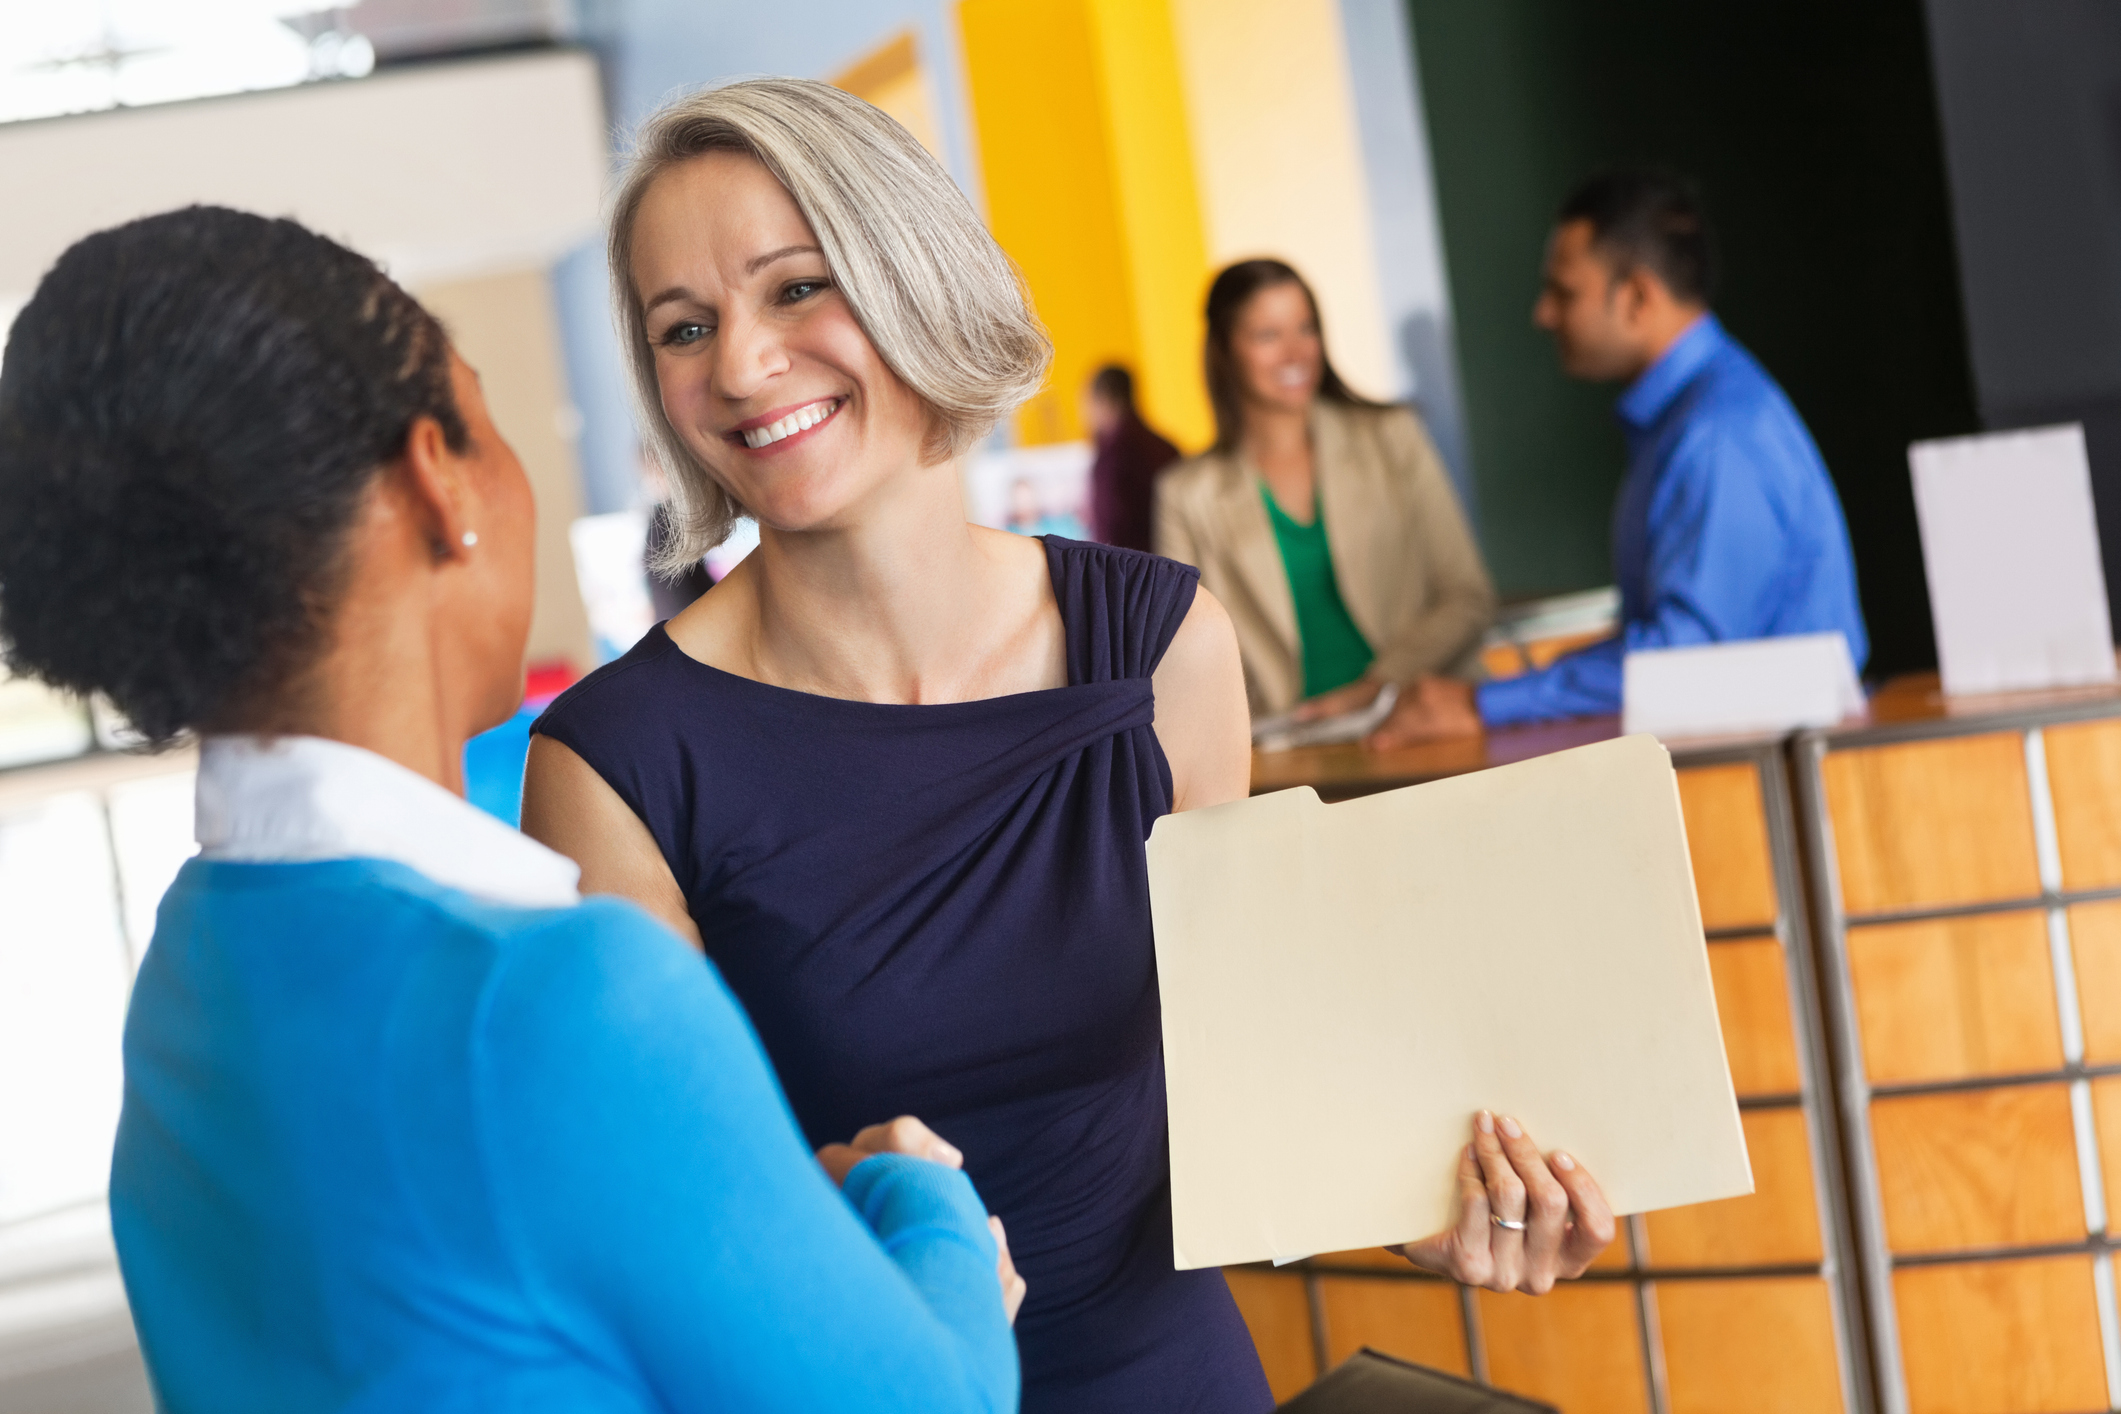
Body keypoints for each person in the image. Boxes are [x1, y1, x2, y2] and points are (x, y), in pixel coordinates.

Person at [521, 78, 1612, 1414]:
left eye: (797, 288)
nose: (741, 364)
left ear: (911, 274)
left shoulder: (1157, 648)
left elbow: (1254, 1080)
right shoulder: (613, 764)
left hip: (1175, 1375)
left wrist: (1426, 1203)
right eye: (684, 326)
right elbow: (665, 1215)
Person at [0, 206, 1022, 1412]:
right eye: (485, 415)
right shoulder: (560, 1001)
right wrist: (916, 1199)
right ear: (440, 482)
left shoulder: (184, 978)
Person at [1378, 168, 1869, 745]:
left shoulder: (1718, 434)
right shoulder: (1692, 416)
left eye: (1564, 292)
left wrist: (1489, 704)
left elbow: (1685, 663)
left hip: (1774, 779)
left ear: (1636, 297)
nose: (1543, 314)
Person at [1155, 259, 1497, 723]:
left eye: (1306, 328)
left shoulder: (1392, 437)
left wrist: (1374, 689)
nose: (1296, 353)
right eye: (1268, 336)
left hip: (1421, 718)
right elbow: (1187, 658)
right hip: (1285, 748)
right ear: (1224, 350)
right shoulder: (1184, 496)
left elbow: (1467, 595)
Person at [1083, 363, 1178, 551]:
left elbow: (1108, 537)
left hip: (1134, 572)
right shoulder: (1166, 447)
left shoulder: (1112, 459)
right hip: (1174, 567)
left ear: (1103, 399)